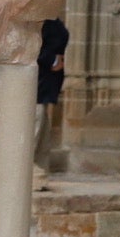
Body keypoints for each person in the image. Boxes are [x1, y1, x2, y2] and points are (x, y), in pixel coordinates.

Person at [36, 16, 69, 174]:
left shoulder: (52, 22)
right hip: (37, 88)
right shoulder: (42, 23)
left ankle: (39, 172)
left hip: (44, 90)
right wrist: (53, 61)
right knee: (34, 132)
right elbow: (37, 51)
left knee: (43, 139)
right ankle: (30, 174)